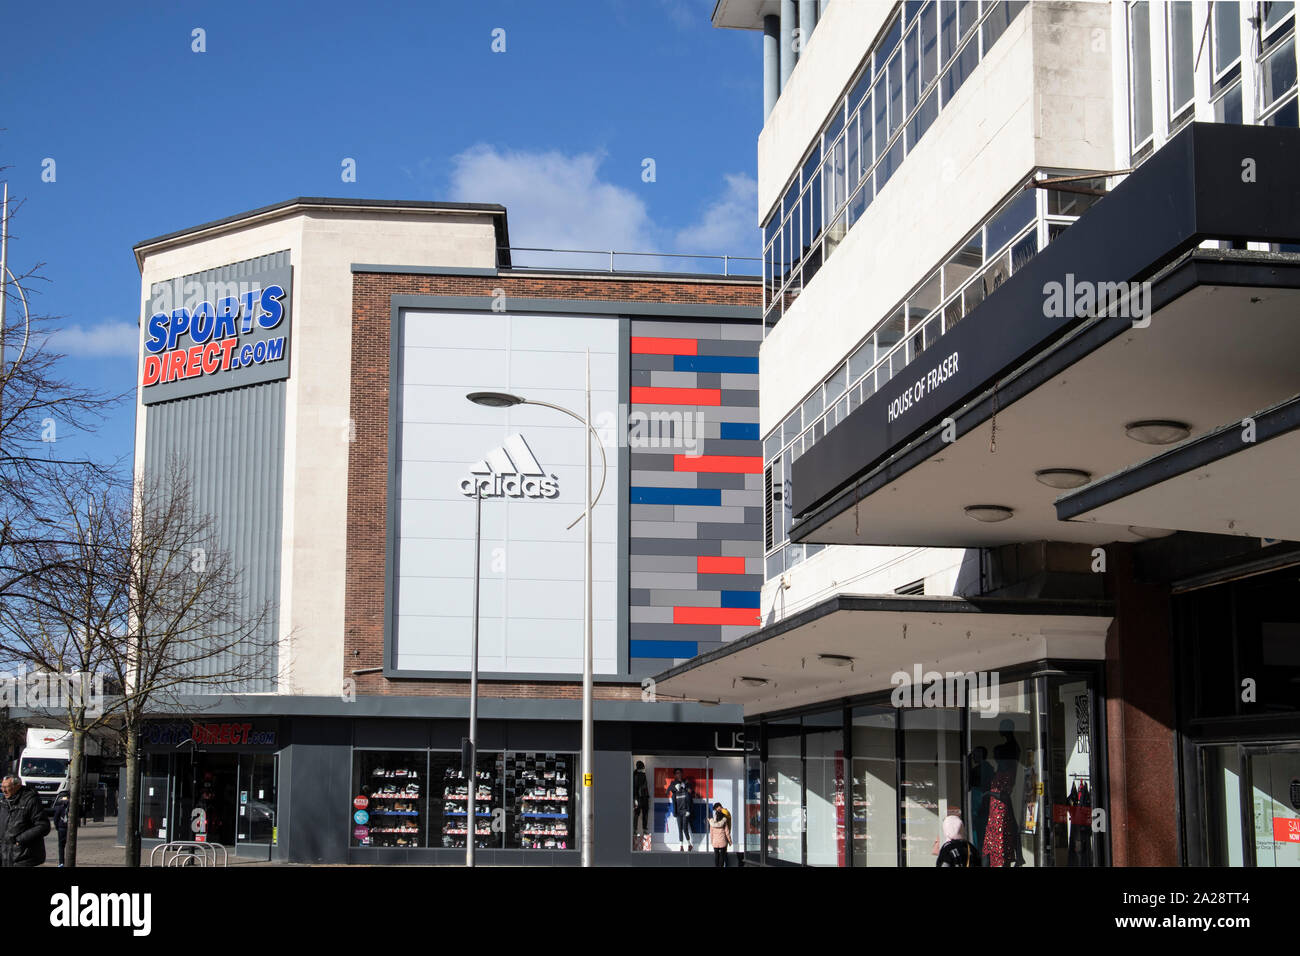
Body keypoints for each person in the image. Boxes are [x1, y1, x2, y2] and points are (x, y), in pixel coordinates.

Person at [0, 774, 51, 867]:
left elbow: (43, 825)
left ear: (17, 786)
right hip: (5, 856)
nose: (3, 790)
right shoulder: (3, 801)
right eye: (2, 787)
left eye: (7, 787)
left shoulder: (30, 800)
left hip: (23, 856)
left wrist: (20, 839)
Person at [667, 769, 694, 850]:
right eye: (676, 773)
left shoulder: (685, 783)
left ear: (682, 774)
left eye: (680, 773)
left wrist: (688, 810)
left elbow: (690, 793)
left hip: (685, 811)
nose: (678, 774)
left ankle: (689, 844)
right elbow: (668, 791)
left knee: (685, 828)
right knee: (680, 829)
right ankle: (681, 846)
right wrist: (674, 788)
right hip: (678, 812)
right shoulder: (673, 785)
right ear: (674, 775)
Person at [709, 802, 733, 867]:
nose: (716, 810)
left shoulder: (712, 823)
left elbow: (711, 833)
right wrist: (730, 841)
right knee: (722, 856)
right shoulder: (724, 821)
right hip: (723, 841)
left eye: (716, 809)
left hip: (715, 842)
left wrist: (712, 841)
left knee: (716, 856)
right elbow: (727, 832)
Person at [51, 792, 71, 867]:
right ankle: (67, 861)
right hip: (68, 828)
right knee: (68, 845)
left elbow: (55, 819)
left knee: (61, 846)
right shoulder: (71, 808)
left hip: (61, 828)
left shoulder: (59, 807)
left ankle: (61, 862)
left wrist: (57, 826)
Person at [632, 761, 650, 835]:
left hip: (642, 797)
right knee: (639, 814)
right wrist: (635, 799)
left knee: (640, 814)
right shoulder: (635, 776)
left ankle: (639, 829)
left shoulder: (637, 775)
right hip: (640, 798)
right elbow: (635, 788)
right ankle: (637, 829)